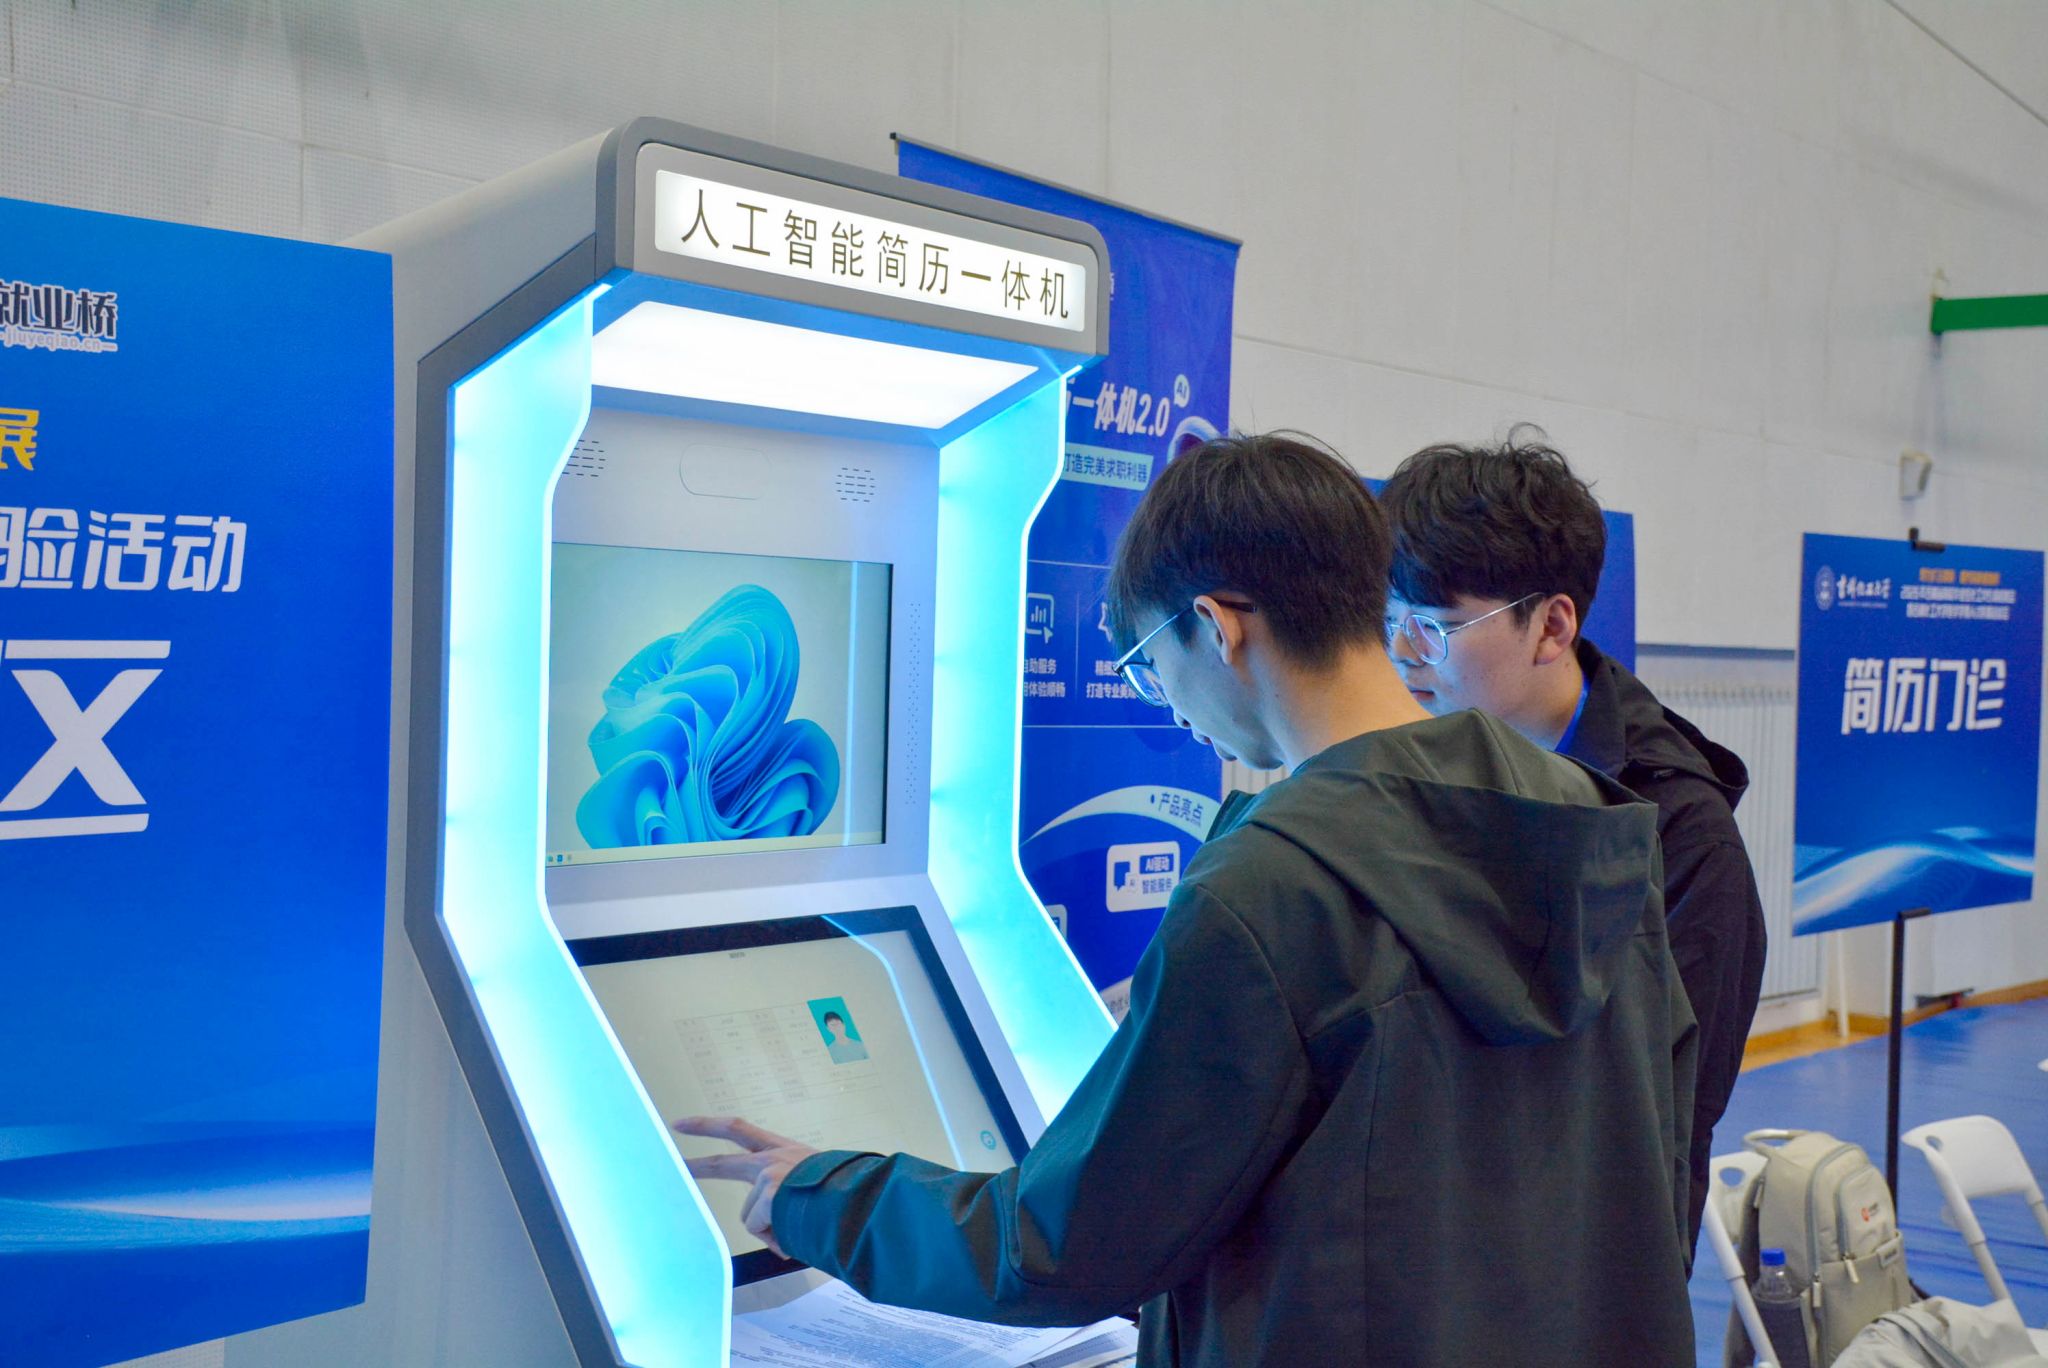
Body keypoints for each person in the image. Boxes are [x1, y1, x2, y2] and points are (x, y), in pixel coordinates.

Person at [678, 432, 1698, 1367]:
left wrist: (821, 1195)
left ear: (1215, 626)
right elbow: (1655, 1148)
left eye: (1146, 666)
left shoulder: (1272, 886)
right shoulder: (1583, 820)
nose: (1164, 703)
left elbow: (1068, 1244)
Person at [1377, 427, 1767, 1262]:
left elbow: (1667, 1122)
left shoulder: (1680, 834)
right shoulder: (1420, 766)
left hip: (1574, 1258)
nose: (1402, 654)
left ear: (1552, 626)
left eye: (1435, 626)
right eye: (1390, 619)